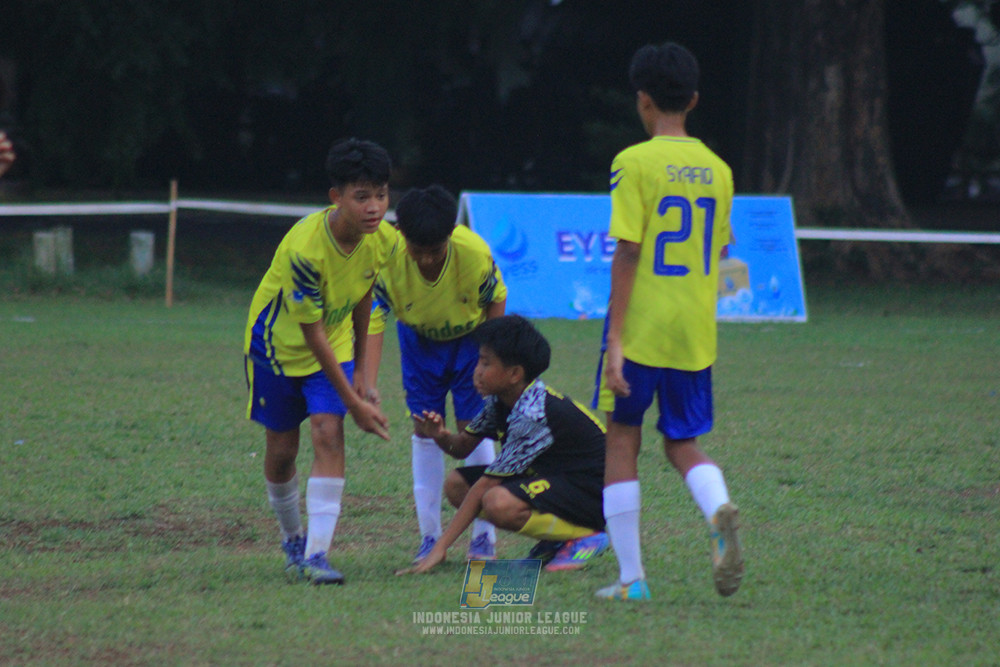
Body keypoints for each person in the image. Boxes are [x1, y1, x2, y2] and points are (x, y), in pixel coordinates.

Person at [594, 42, 744, 601]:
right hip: (693, 333)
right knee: (682, 441)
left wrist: (615, 340)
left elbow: (628, 252)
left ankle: (632, 580)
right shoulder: (720, 170)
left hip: (642, 329)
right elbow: (724, 251)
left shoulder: (633, 162)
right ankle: (716, 509)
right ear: (695, 100)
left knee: (621, 440)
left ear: (643, 100)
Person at [244, 138, 396, 585]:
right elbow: (311, 335)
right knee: (282, 451)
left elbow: (365, 294)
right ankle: (292, 536)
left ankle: (316, 554)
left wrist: (365, 377)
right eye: (361, 196)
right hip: (277, 349)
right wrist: (354, 401)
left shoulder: (381, 239)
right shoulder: (304, 251)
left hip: (337, 345)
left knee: (328, 433)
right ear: (336, 198)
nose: (374, 207)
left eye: (382, 195)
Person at [397, 315, 610, 576]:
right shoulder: (499, 401)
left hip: (592, 492)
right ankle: (557, 539)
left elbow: (486, 485)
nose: (477, 370)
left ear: (514, 374)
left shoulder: (531, 415)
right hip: (554, 478)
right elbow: (462, 446)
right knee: (457, 485)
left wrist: (440, 548)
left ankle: (586, 536)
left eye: (486, 363)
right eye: (478, 360)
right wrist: (440, 435)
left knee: (498, 501)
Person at [365, 185, 506, 563]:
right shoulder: (385, 256)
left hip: (469, 344)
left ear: (450, 237)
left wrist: (490, 359)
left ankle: (483, 536)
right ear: (400, 236)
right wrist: (368, 381)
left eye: (435, 251)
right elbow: (373, 318)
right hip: (418, 343)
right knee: (424, 427)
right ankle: (429, 537)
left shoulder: (474, 253)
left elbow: (496, 298)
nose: (426, 260)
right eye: (418, 250)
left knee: (473, 429)